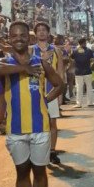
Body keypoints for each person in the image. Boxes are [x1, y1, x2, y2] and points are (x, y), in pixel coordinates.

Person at [0, 21, 64, 187]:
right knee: (22, 173)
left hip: (40, 128)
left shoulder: (41, 63)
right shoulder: (4, 61)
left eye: (23, 35)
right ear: (9, 38)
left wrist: (45, 99)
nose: (19, 39)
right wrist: (23, 68)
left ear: (29, 38)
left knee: (40, 173)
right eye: (14, 35)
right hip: (16, 130)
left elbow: (60, 84)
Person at [32, 22, 63, 166]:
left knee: (52, 122)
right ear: (35, 33)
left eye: (44, 30)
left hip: (52, 90)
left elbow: (60, 72)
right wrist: (42, 60)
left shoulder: (56, 50)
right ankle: (39, 151)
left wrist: (60, 94)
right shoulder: (31, 50)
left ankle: (52, 151)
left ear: (48, 32)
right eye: (38, 30)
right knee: (37, 122)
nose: (41, 32)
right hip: (35, 91)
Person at [72, 36, 94, 107]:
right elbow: (92, 61)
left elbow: (72, 60)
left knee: (79, 88)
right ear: (84, 42)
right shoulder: (89, 51)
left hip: (78, 71)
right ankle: (90, 102)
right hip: (87, 71)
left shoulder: (75, 51)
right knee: (89, 87)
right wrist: (91, 66)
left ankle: (79, 104)